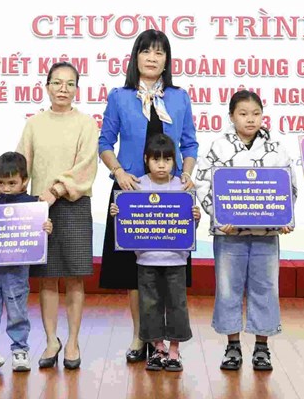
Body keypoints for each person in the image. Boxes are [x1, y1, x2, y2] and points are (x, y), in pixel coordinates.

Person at [0, 62, 98, 369]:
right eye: (57, 83)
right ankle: (52, 340)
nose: (63, 89)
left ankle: (73, 341)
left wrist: (58, 190)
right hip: (38, 207)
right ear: (46, 86)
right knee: (47, 278)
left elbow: (87, 166)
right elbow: (18, 165)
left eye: (70, 84)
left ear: (77, 88)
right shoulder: (34, 123)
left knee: (75, 277)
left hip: (74, 206)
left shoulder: (86, 123)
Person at [98, 29, 199, 362]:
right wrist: (119, 174)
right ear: (135, 56)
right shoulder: (119, 96)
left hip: (170, 192)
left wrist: (186, 175)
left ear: (167, 59)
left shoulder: (180, 97)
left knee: (167, 271)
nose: (153, 58)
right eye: (146, 51)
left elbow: (189, 143)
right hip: (131, 191)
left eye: (159, 52)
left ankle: (168, 342)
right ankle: (140, 336)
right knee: (133, 272)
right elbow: (104, 144)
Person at [194, 90, 297, 372]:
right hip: (229, 234)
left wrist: (286, 217)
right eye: (243, 114)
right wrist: (218, 215)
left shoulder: (277, 147)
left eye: (255, 113)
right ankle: (233, 345)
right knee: (228, 288)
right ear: (231, 117)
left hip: (267, 233)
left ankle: (262, 347)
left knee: (265, 287)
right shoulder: (218, 146)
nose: (250, 119)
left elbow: (289, 185)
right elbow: (202, 182)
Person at [109, 134, 200, 372]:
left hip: (176, 261)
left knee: (176, 305)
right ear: (146, 160)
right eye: (156, 160)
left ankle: (174, 351)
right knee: (149, 305)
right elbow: (126, 222)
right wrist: (118, 212)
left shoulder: (183, 187)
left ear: (175, 162)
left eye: (167, 160)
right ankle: (158, 348)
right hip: (146, 260)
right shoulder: (136, 185)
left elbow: (190, 227)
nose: (162, 165)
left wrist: (195, 218)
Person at [0, 152, 53, 374]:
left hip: (17, 271)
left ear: (24, 181)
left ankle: (20, 350)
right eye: (1, 183)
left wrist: (46, 229)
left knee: (17, 311)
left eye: (12, 183)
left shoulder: (34, 205)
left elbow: (39, 233)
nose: (6, 188)